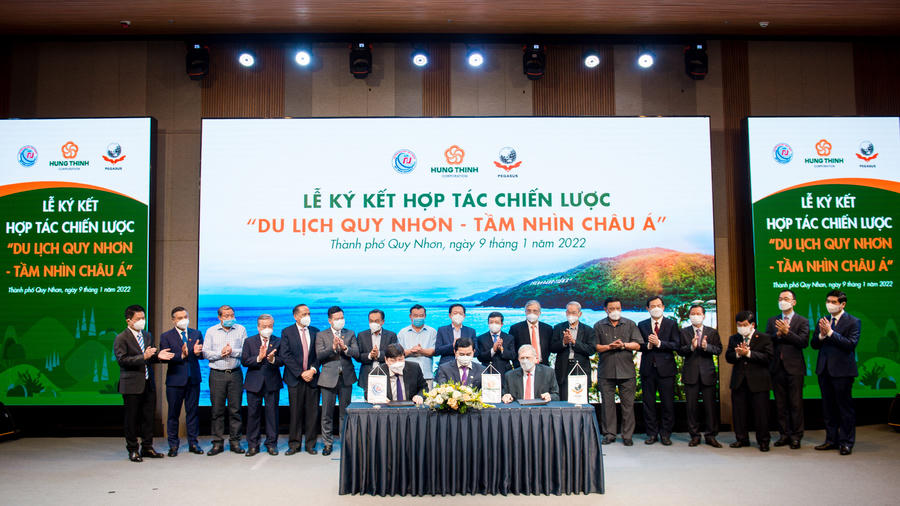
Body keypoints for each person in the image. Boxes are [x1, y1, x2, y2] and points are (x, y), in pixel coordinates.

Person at [113, 304, 173, 462]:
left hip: (148, 383)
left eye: (143, 318)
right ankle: (133, 449)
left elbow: (149, 357)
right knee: (132, 419)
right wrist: (143, 357)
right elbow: (122, 360)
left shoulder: (147, 335)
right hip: (131, 384)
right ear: (129, 321)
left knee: (148, 417)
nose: (142, 321)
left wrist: (158, 356)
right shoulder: (121, 338)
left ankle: (147, 447)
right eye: (138, 319)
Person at [811, 289, 861, 456]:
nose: (830, 305)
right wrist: (821, 335)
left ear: (842, 304)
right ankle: (831, 440)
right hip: (824, 370)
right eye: (828, 301)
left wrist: (831, 333)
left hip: (843, 372)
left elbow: (850, 344)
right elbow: (814, 344)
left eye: (833, 302)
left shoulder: (853, 321)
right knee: (828, 408)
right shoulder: (823, 320)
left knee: (844, 408)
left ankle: (846, 442)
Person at [593, 297, 643, 446]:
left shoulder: (630, 324)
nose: (615, 311)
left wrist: (623, 345)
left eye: (618, 308)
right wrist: (609, 347)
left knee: (628, 406)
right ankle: (609, 434)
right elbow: (595, 347)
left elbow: (638, 345)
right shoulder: (598, 325)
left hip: (627, 372)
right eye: (612, 308)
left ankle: (627, 435)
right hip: (606, 372)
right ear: (606, 310)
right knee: (607, 405)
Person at [765, 289, 810, 449]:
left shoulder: (802, 321)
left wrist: (787, 332)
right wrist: (777, 334)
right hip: (777, 367)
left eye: (786, 298)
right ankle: (784, 434)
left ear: (793, 302)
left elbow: (803, 342)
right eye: (780, 298)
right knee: (780, 404)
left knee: (795, 404)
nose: (782, 301)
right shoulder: (772, 320)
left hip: (794, 368)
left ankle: (796, 436)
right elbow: (767, 341)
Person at [158, 306, 204, 456]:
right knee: (173, 414)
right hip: (175, 381)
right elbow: (166, 357)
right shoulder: (166, 336)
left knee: (192, 413)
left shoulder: (196, 333)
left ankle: (193, 443)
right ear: (173, 320)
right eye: (179, 318)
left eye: (185, 317)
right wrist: (182, 355)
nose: (183, 320)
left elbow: (201, 354)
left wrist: (197, 353)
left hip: (193, 380)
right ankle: (173, 445)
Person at [202, 305, 247, 455]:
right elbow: (205, 353)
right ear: (220, 317)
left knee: (236, 410)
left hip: (235, 374)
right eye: (226, 316)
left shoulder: (241, 329)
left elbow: (245, 351)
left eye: (232, 315)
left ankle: (235, 442)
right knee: (217, 410)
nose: (230, 318)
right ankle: (217, 443)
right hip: (217, 374)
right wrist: (220, 353)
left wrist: (232, 351)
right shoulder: (211, 331)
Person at [725, 311, 773, 452]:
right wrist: (737, 354)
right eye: (739, 325)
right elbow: (728, 357)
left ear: (752, 325)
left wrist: (749, 353)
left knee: (761, 413)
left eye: (744, 325)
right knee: (739, 413)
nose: (741, 327)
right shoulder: (734, 338)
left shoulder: (764, 337)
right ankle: (741, 439)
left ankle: (763, 441)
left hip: (759, 381)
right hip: (739, 381)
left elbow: (768, 358)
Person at [315, 305, 358, 456]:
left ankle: (345, 442)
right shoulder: (321, 335)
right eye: (337, 318)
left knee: (344, 413)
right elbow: (319, 355)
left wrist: (345, 348)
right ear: (330, 320)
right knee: (326, 413)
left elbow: (356, 352)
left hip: (346, 378)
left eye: (342, 318)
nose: (340, 320)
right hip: (328, 379)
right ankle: (327, 443)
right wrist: (332, 348)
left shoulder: (350, 333)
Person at [637, 296, 680, 445]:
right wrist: (648, 345)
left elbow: (676, 345)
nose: (656, 308)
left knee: (667, 403)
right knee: (648, 404)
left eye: (658, 305)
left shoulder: (671, 324)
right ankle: (651, 433)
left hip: (666, 370)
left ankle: (666, 434)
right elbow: (639, 345)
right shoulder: (642, 324)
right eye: (652, 306)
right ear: (647, 308)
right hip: (648, 369)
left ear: (663, 307)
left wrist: (660, 343)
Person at [679, 304, 722, 448]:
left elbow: (719, 350)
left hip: (707, 374)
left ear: (703, 316)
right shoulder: (684, 332)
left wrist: (706, 347)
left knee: (710, 407)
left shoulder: (712, 332)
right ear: (689, 316)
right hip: (690, 374)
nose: (695, 316)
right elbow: (680, 350)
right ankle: (695, 435)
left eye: (698, 313)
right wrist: (691, 347)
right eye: (693, 313)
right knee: (691, 408)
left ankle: (711, 435)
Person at [279, 303, 320, 455]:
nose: (307, 316)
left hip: (312, 378)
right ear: (296, 316)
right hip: (295, 379)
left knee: (312, 413)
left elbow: (319, 354)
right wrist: (301, 373)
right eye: (304, 314)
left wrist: (312, 370)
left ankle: (310, 444)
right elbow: (285, 355)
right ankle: (294, 444)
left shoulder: (315, 331)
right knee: (295, 413)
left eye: (308, 314)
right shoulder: (287, 332)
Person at [242, 314, 283, 457]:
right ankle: (253, 445)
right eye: (264, 326)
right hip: (254, 383)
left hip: (272, 383)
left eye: (270, 326)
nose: (267, 329)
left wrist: (273, 360)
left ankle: (272, 444)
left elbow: (283, 361)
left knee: (272, 415)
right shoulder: (249, 341)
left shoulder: (278, 341)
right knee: (253, 415)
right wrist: (259, 358)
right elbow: (245, 361)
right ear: (258, 327)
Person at [550, 301, 597, 402]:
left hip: (581, 368)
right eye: (569, 312)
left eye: (574, 313)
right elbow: (552, 348)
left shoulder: (588, 330)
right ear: (566, 313)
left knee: (581, 399)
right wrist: (564, 342)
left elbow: (591, 350)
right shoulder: (558, 328)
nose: (571, 315)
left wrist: (574, 342)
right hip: (563, 368)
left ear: (580, 314)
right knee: (563, 398)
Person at [356, 309, 398, 398]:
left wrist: (378, 354)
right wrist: (370, 355)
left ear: (382, 322)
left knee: (387, 401)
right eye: (371, 321)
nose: (373, 323)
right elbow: (358, 356)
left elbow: (394, 355)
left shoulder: (391, 335)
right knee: (368, 403)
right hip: (367, 375)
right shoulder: (361, 335)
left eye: (376, 321)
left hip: (386, 374)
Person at [397, 304, 437, 389]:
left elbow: (434, 351)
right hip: (407, 375)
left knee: (428, 397)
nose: (418, 318)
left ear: (425, 316)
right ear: (410, 316)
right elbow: (398, 353)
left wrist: (421, 351)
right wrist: (411, 351)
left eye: (421, 315)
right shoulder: (402, 333)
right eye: (415, 315)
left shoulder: (432, 332)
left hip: (427, 375)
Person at [509, 300, 553, 365]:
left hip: (543, 365)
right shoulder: (515, 329)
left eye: (535, 311)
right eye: (529, 311)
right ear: (525, 312)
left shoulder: (547, 329)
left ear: (539, 313)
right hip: (523, 365)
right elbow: (512, 349)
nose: (531, 313)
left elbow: (552, 347)